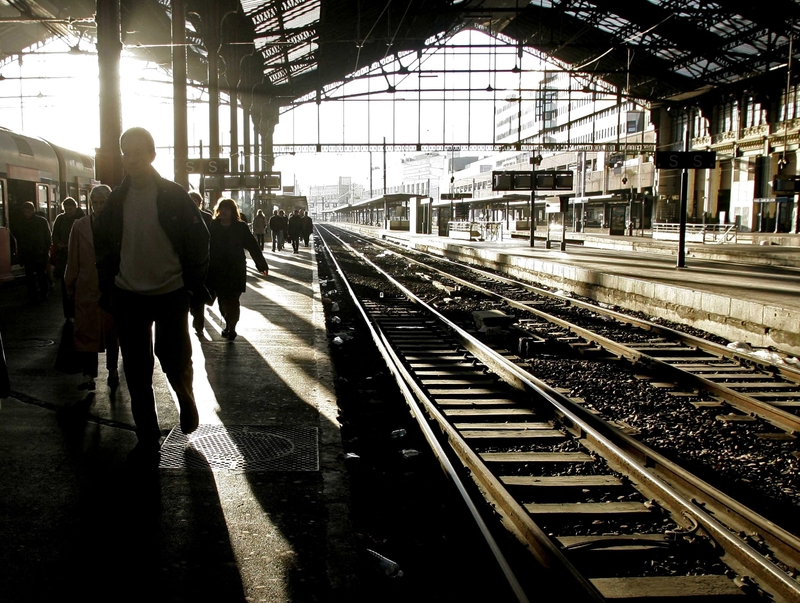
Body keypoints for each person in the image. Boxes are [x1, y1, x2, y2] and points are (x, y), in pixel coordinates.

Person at [94, 127, 209, 461]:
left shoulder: (173, 194)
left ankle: (185, 394)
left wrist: (192, 282)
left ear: (152, 155)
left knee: (174, 357)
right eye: (126, 153)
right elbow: (103, 246)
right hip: (128, 292)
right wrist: (108, 286)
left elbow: (199, 239)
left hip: (170, 290)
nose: (131, 159)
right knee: (136, 368)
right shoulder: (116, 200)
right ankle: (147, 435)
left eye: (137, 152)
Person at [64, 185, 120, 391]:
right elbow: (73, 258)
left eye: (102, 202)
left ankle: (113, 371)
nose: (98, 206)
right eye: (95, 202)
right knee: (87, 333)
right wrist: (70, 284)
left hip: (111, 286)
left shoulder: (118, 224)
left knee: (112, 332)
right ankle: (88, 375)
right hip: (86, 285)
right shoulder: (79, 226)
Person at [206, 198, 269, 341]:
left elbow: (252, 245)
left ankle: (232, 327)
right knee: (222, 300)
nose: (224, 211)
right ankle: (228, 324)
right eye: (222, 208)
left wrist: (261, 265)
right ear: (218, 210)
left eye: (227, 209)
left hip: (236, 269)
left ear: (233, 211)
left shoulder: (240, 227)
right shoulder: (213, 226)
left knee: (233, 300)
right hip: (217, 269)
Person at [52, 197, 85, 318]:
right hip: (64, 255)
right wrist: (58, 243)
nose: (68, 212)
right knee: (66, 285)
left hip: (77, 256)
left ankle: (75, 312)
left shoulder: (82, 219)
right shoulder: (61, 219)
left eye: (70, 209)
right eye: (66, 209)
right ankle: (70, 313)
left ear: (75, 208)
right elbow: (54, 234)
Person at [12, 201, 51, 303]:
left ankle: (39, 295)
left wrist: (46, 249)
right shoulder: (41, 221)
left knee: (38, 274)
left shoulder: (23, 223)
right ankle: (38, 295)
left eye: (28, 211)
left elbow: (47, 237)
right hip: (32, 252)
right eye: (25, 212)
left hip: (37, 252)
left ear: (33, 211)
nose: (27, 214)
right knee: (34, 275)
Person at [188, 191, 213, 335]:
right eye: (190, 200)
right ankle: (195, 313)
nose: (193, 203)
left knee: (198, 290)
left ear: (200, 203)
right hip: (186, 260)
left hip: (202, 259)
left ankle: (199, 323)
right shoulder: (180, 216)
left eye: (195, 201)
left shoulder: (207, 217)